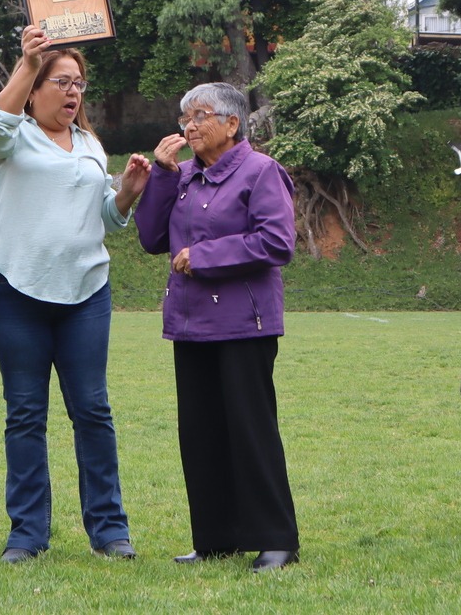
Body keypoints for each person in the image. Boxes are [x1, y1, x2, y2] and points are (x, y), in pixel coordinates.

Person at [0, 25, 150, 564]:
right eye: (62, 82)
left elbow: (106, 219)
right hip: (13, 289)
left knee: (93, 409)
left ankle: (110, 531)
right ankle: (27, 535)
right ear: (34, 90)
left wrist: (127, 193)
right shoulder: (9, 136)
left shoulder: (90, 145)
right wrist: (28, 61)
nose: (73, 93)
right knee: (26, 412)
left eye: (79, 84)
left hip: (85, 292)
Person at [134, 83, 300, 572]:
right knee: (200, 433)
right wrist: (162, 176)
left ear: (232, 123)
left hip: (244, 323)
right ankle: (214, 539)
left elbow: (277, 241)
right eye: (185, 117)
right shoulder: (183, 175)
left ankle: (277, 539)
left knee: (251, 431)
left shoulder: (261, 170)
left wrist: (205, 256)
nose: (190, 126)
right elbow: (152, 238)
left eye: (201, 115)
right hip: (191, 323)